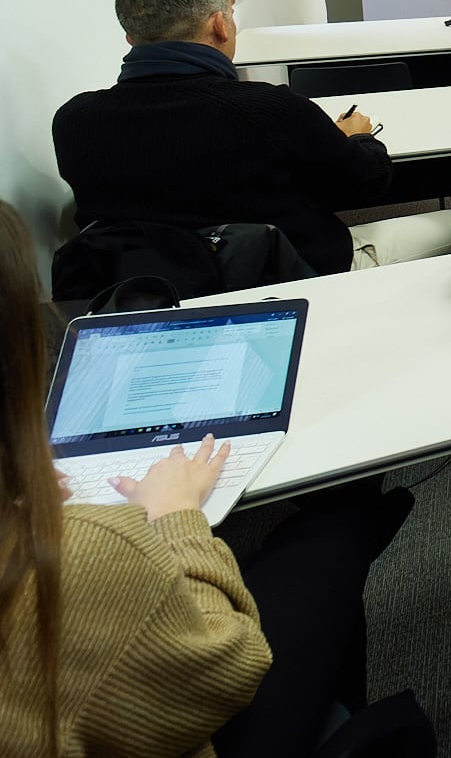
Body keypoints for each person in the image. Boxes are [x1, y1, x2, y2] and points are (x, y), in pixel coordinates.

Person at [0, 199, 416, 756]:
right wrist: (178, 518)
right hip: (202, 717)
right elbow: (231, 666)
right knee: (336, 528)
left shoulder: (74, 122)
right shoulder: (79, 551)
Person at [51, 0, 393, 276]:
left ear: (131, 38)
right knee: (443, 231)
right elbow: (365, 184)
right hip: (287, 279)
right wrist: (358, 138)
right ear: (220, 25)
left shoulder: (74, 121)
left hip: (145, 296)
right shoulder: (270, 107)